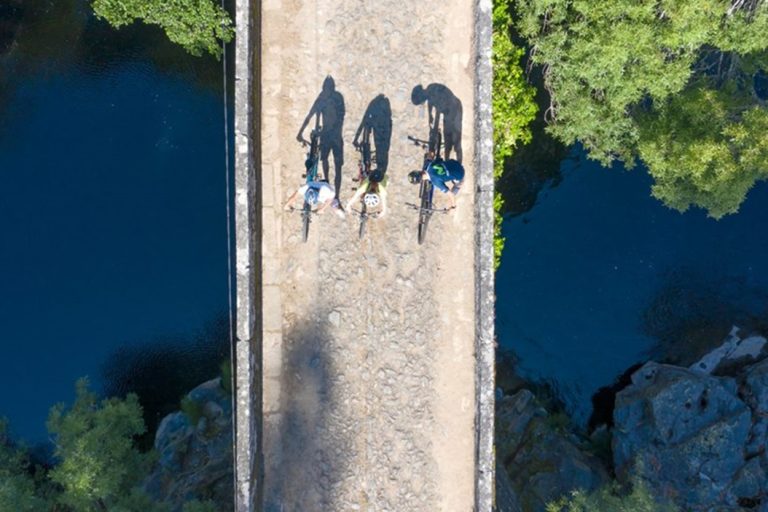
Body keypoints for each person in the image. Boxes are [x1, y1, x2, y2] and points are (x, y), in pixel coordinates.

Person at [296, 76, 345, 196]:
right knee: (324, 160)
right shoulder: (322, 99)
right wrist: (300, 132)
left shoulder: (336, 98)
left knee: (338, 164)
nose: (326, 91)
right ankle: (327, 183)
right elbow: (310, 115)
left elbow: (340, 118)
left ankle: (336, 195)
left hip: (334, 135)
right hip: (327, 135)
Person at [411, 83, 463, 163]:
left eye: (421, 102)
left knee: (456, 142)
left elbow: (436, 118)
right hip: (448, 112)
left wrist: (432, 145)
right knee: (447, 143)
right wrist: (431, 119)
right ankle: (447, 165)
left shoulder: (433, 96)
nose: (422, 104)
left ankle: (459, 166)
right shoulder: (430, 89)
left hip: (455, 110)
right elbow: (432, 113)